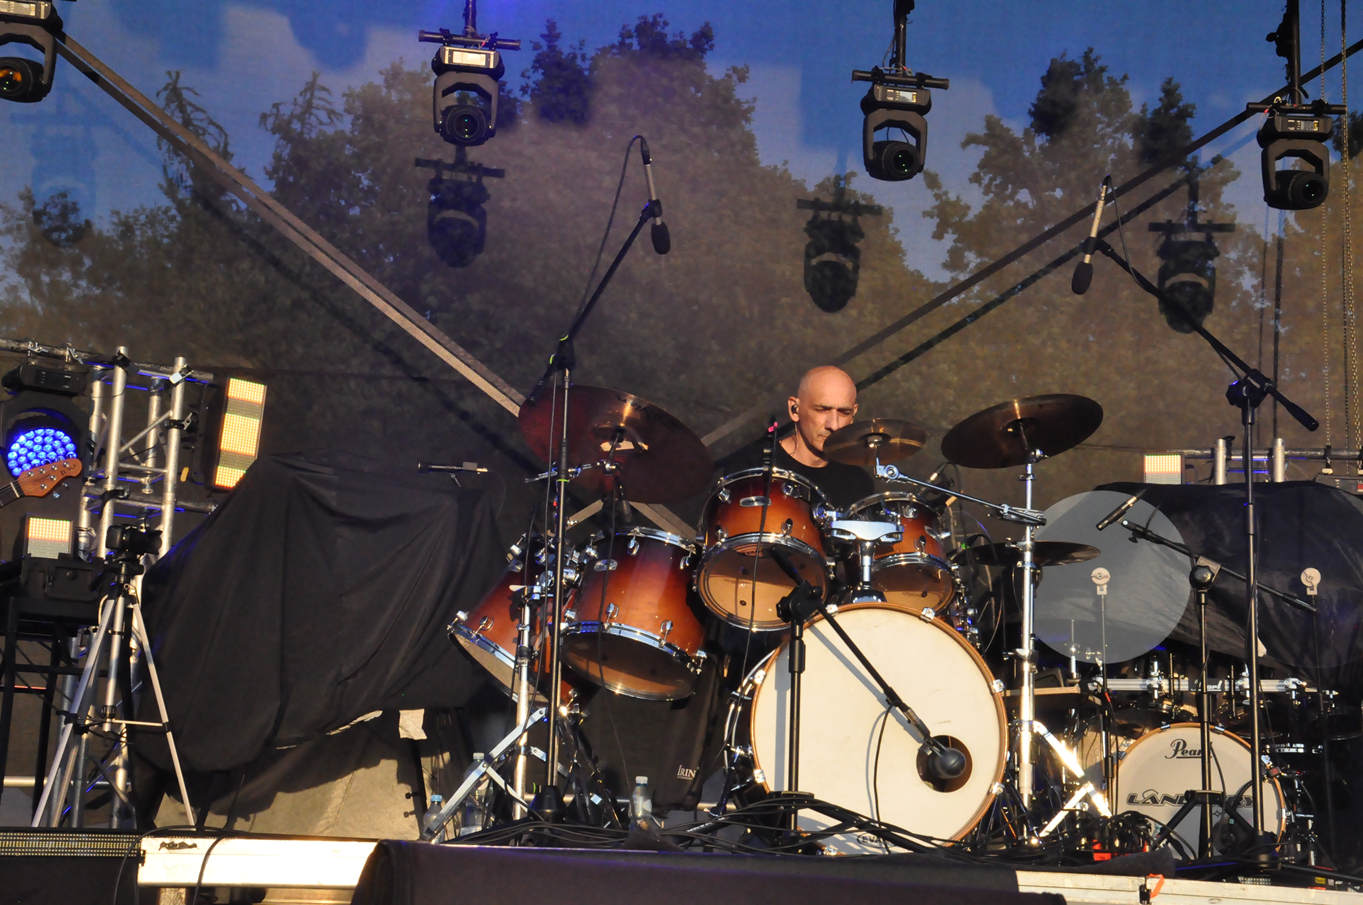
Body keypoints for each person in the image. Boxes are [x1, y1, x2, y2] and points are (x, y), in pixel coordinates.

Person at [722, 365, 875, 509]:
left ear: (853, 414)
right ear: (794, 410)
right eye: (822, 410)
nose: (833, 425)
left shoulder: (858, 484)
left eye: (844, 413)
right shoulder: (751, 467)